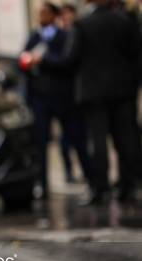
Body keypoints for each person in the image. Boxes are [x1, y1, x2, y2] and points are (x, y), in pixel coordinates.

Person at [40, 0, 141, 204]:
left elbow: (70, 58)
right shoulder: (124, 21)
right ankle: (128, 185)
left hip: (93, 93)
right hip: (122, 90)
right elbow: (137, 56)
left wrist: (44, 60)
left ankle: (100, 187)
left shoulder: (83, 24)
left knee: (97, 141)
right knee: (125, 140)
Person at [21, 2, 91, 199]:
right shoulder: (34, 37)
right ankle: (42, 185)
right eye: (39, 13)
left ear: (54, 15)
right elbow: (22, 61)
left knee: (76, 139)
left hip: (63, 98)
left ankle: (92, 179)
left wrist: (43, 60)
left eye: (45, 13)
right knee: (41, 144)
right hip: (39, 100)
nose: (41, 17)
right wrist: (26, 63)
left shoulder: (65, 36)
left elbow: (68, 62)